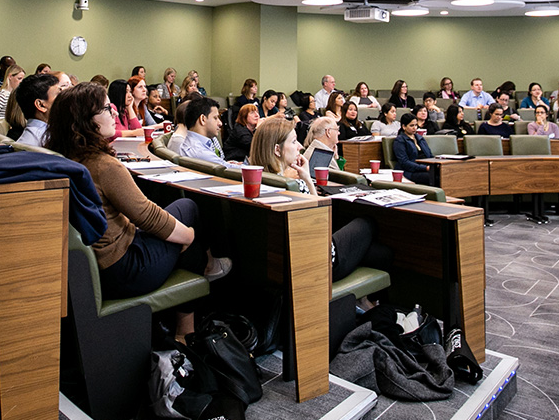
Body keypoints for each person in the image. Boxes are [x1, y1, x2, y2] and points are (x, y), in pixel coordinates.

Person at [46, 83, 229, 341]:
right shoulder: (104, 165)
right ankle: (186, 330)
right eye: (105, 109)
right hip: (125, 269)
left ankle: (187, 310)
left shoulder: (64, 156)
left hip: (102, 263)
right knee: (190, 229)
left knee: (184, 209)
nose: (112, 112)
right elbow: (148, 215)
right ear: (86, 122)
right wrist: (187, 236)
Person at [249, 118, 391, 290]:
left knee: (379, 253)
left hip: (280, 263)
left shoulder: (255, 182)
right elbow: (322, 220)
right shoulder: (293, 186)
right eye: (294, 141)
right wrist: (308, 180)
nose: (300, 146)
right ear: (277, 150)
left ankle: (363, 305)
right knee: (367, 223)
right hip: (320, 263)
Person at [6, 71, 61, 146]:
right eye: (59, 95)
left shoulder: (50, 132)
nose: (64, 98)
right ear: (41, 105)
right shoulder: (45, 142)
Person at [393, 112, 435, 185]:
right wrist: (425, 168)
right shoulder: (400, 140)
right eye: (411, 125)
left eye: (416, 125)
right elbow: (404, 162)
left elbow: (430, 156)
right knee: (435, 177)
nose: (415, 128)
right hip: (411, 171)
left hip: (426, 168)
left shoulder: (420, 138)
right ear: (404, 126)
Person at [178, 96, 224, 161]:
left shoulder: (194, 144)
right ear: (202, 119)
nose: (220, 123)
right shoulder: (200, 152)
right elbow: (227, 169)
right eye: (215, 118)